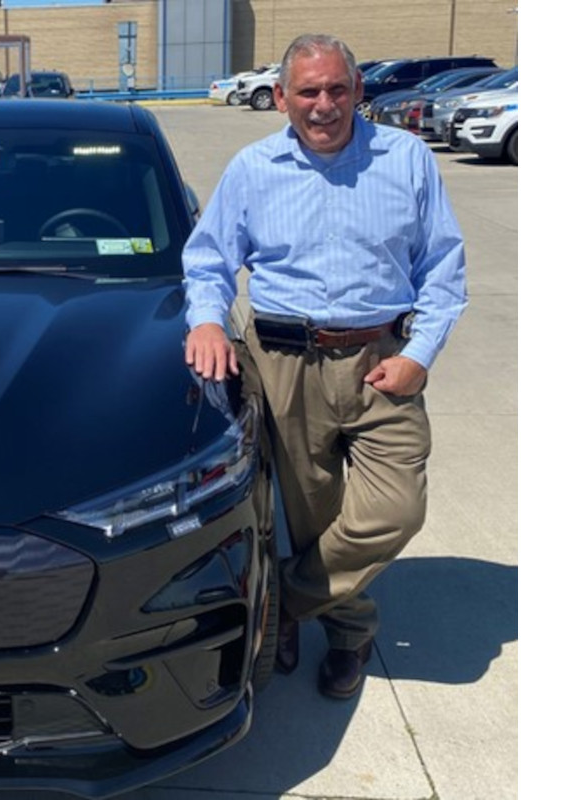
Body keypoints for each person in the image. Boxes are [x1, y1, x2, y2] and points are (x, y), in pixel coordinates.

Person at [181, 33, 467, 699]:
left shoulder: (407, 158)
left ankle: (283, 601)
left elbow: (444, 269)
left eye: (338, 88)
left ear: (358, 91)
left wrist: (419, 356)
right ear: (282, 97)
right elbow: (209, 259)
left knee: (396, 509)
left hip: (382, 360)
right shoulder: (253, 169)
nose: (324, 104)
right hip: (285, 363)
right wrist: (206, 320)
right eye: (308, 91)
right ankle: (350, 634)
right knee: (313, 517)